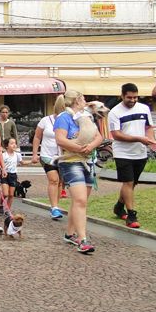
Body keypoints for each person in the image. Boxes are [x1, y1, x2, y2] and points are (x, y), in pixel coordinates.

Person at [54, 90, 103, 254]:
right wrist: (79, 148)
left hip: (87, 161)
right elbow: (61, 140)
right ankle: (83, 239)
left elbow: (98, 136)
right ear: (77, 100)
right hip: (70, 161)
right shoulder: (63, 118)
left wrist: (90, 146)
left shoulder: (85, 117)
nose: (86, 101)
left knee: (79, 201)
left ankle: (69, 233)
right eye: (83, 99)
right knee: (80, 200)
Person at [109, 83, 156, 229]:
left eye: (135, 97)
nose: (132, 100)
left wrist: (150, 140)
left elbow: (148, 127)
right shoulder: (115, 112)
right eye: (129, 97)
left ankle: (119, 206)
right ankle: (131, 215)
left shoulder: (144, 108)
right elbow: (116, 134)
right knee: (128, 182)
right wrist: (139, 138)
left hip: (140, 152)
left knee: (132, 183)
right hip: (123, 152)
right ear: (122, 96)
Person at [31, 104, 64, 220]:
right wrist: (35, 154)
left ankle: (56, 205)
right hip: (47, 155)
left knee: (60, 182)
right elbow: (37, 137)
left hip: (62, 156)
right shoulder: (45, 120)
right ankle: (54, 207)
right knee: (54, 180)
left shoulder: (67, 121)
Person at [1, 137, 28, 211]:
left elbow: (22, 162)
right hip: (5, 175)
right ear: (7, 146)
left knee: (11, 194)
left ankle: (7, 210)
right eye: (12, 143)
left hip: (13, 175)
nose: (14, 145)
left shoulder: (17, 155)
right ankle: (1, 203)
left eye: (15, 143)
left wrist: (32, 161)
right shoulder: (3, 155)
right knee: (5, 193)